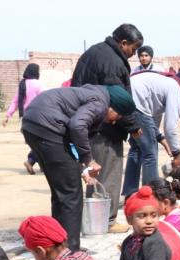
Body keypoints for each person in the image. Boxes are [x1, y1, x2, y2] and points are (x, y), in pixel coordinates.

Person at [22, 84, 135, 251]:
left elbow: (71, 139)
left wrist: (82, 169)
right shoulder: (100, 103)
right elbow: (77, 126)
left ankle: (59, 245)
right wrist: (89, 161)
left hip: (33, 124)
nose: (114, 121)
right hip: (48, 126)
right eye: (117, 116)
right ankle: (71, 251)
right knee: (71, 194)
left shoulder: (92, 94)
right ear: (112, 107)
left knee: (61, 191)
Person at [72, 24, 145, 233]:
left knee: (95, 172)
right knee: (107, 174)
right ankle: (105, 221)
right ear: (123, 43)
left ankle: (95, 220)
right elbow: (119, 99)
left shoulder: (95, 52)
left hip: (89, 120)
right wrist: (133, 126)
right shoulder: (112, 61)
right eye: (133, 49)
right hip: (105, 127)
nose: (133, 54)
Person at [123, 72, 180, 194]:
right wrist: (176, 154)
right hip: (137, 103)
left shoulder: (169, 83)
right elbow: (170, 127)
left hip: (128, 98)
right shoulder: (176, 91)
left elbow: (149, 121)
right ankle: (151, 195)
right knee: (150, 154)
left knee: (136, 149)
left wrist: (161, 138)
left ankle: (130, 192)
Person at [116, 186, 173, 260]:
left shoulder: (155, 243)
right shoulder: (129, 241)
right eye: (142, 216)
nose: (149, 221)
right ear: (129, 219)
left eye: (154, 215)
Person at [4, 63, 43, 175]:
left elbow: (15, 102)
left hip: (25, 118)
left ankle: (40, 164)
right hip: (37, 118)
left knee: (35, 142)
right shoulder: (37, 84)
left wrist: (8, 115)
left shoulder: (22, 84)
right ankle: (31, 161)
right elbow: (44, 99)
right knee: (42, 142)